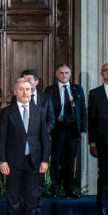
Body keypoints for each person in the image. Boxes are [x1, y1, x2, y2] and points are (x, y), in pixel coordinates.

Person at [0, 77, 51, 215]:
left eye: (27, 89)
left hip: (34, 162)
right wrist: (2, 161)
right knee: (13, 200)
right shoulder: (7, 112)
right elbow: (1, 139)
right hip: (13, 163)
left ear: (32, 91)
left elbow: (44, 139)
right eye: (21, 89)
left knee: (31, 201)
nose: (25, 92)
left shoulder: (39, 111)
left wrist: (44, 160)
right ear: (15, 92)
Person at [15, 69, 55, 215]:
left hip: (38, 146)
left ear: (36, 82)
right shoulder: (17, 100)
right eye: (24, 79)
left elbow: (51, 119)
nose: (27, 83)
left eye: (29, 79)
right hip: (21, 149)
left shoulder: (45, 98)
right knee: (21, 183)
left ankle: (37, 210)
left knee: (36, 182)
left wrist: (43, 133)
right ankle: (22, 210)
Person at [44, 64, 86, 198]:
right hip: (57, 127)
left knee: (70, 160)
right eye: (61, 73)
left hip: (73, 128)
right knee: (56, 159)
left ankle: (69, 189)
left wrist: (83, 130)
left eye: (66, 73)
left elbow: (83, 110)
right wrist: (47, 131)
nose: (64, 75)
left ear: (70, 74)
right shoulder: (50, 90)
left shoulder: (77, 89)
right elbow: (45, 112)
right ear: (57, 75)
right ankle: (55, 188)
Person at [88, 63, 108, 215]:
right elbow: (91, 120)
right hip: (103, 141)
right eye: (106, 70)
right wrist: (92, 143)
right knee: (105, 175)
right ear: (102, 73)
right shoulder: (94, 93)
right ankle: (102, 207)